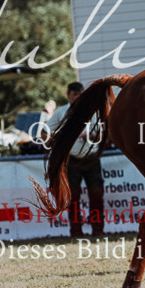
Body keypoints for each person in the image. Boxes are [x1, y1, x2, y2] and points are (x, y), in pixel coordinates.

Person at [46, 82, 105, 236]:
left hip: (91, 158)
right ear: (69, 95)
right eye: (75, 94)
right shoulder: (61, 112)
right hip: (71, 160)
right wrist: (59, 139)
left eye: (81, 94)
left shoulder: (93, 111)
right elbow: (44, 132)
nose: (78, 97)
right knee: (73, 198)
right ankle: (76, 231)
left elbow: (101, 134)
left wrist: (90, 135)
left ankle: (98, 230)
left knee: (96, 194)